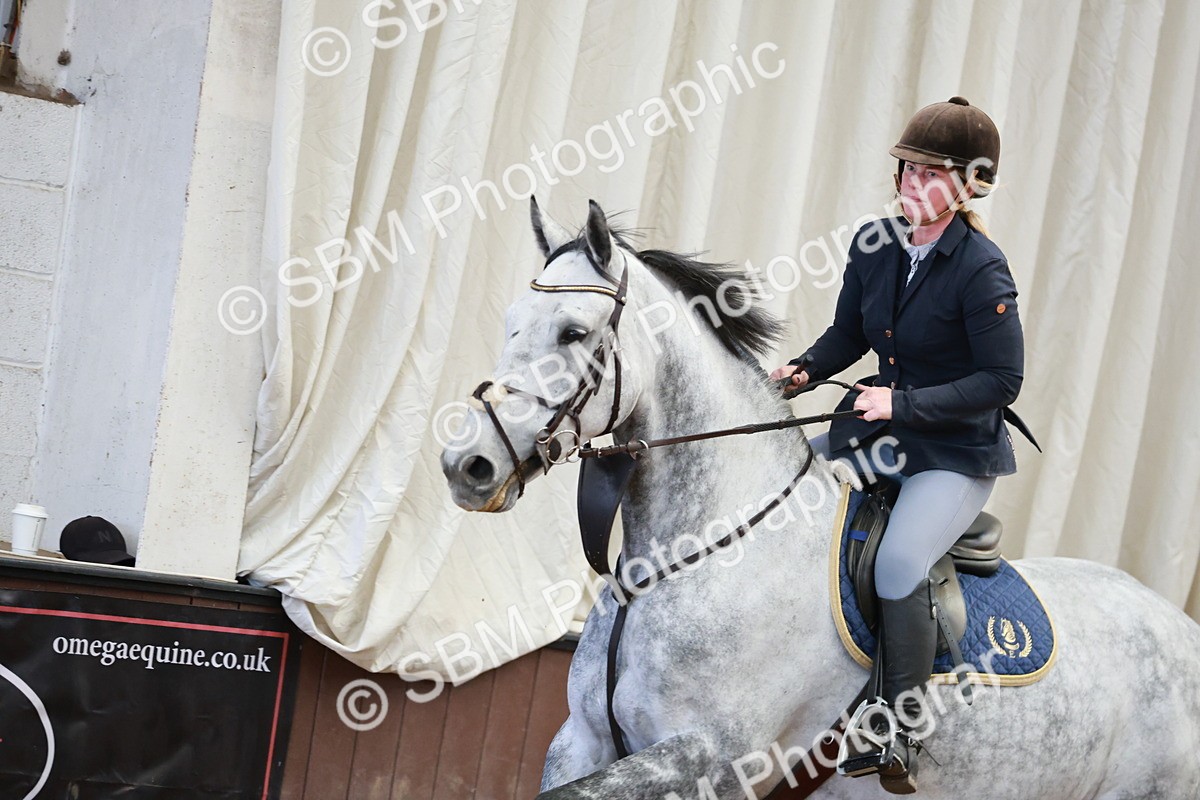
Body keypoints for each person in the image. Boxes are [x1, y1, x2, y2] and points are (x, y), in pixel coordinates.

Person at [769, 96, 1030, 794]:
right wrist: (801, 372)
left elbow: (1002, 379)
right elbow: (846, 335)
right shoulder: (874, 243)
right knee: (781, 495)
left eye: (931, 175)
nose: (913, 186)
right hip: (879, 433)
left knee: (898, 563)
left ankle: (897, 724)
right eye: (908, 171)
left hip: (953, 453)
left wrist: (904, 403)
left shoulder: (982, 268)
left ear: (969, 186)